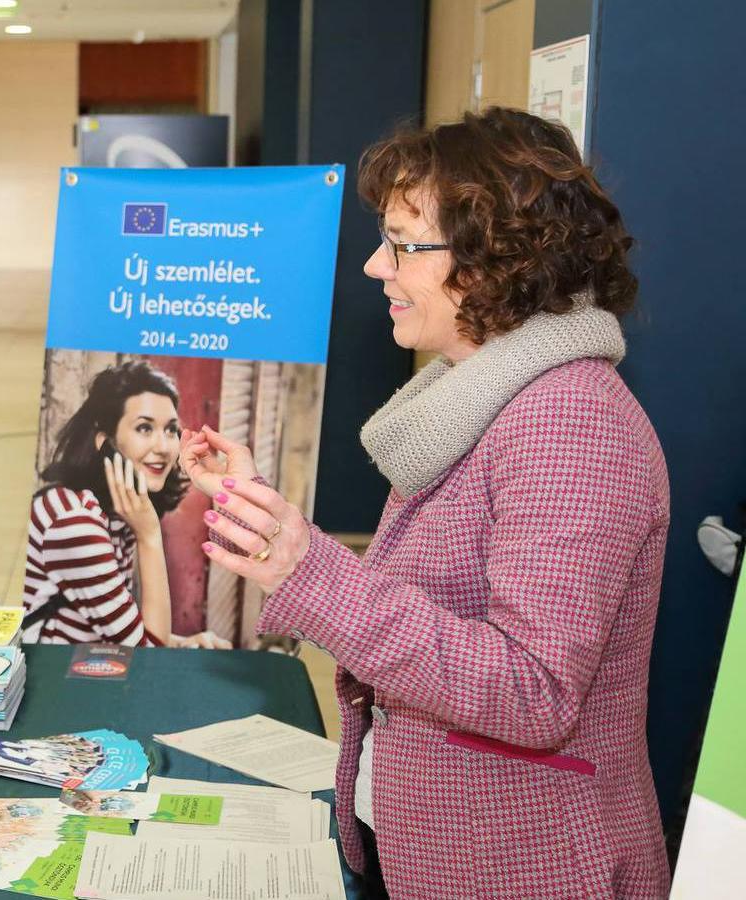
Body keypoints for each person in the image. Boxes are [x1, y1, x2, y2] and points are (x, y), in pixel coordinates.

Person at [188, 108, 669, 898]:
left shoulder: (571, 423)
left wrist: (309, 570)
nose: (377, 267)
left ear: (491, 260)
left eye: (404, 246)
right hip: (435, 842)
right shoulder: (476, 394)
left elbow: (532, 690)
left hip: (525, 866)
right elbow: (433, 604)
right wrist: (267, 523)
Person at [24, 361, 229, 649]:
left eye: (171, 430)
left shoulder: (116, 512)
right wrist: (150, 536)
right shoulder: (75, 522)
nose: (163, 446)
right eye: (144, 428)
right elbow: (145, 656)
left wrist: (185, 643)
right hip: (52, 679)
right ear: (105, 443)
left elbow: (122, 629)